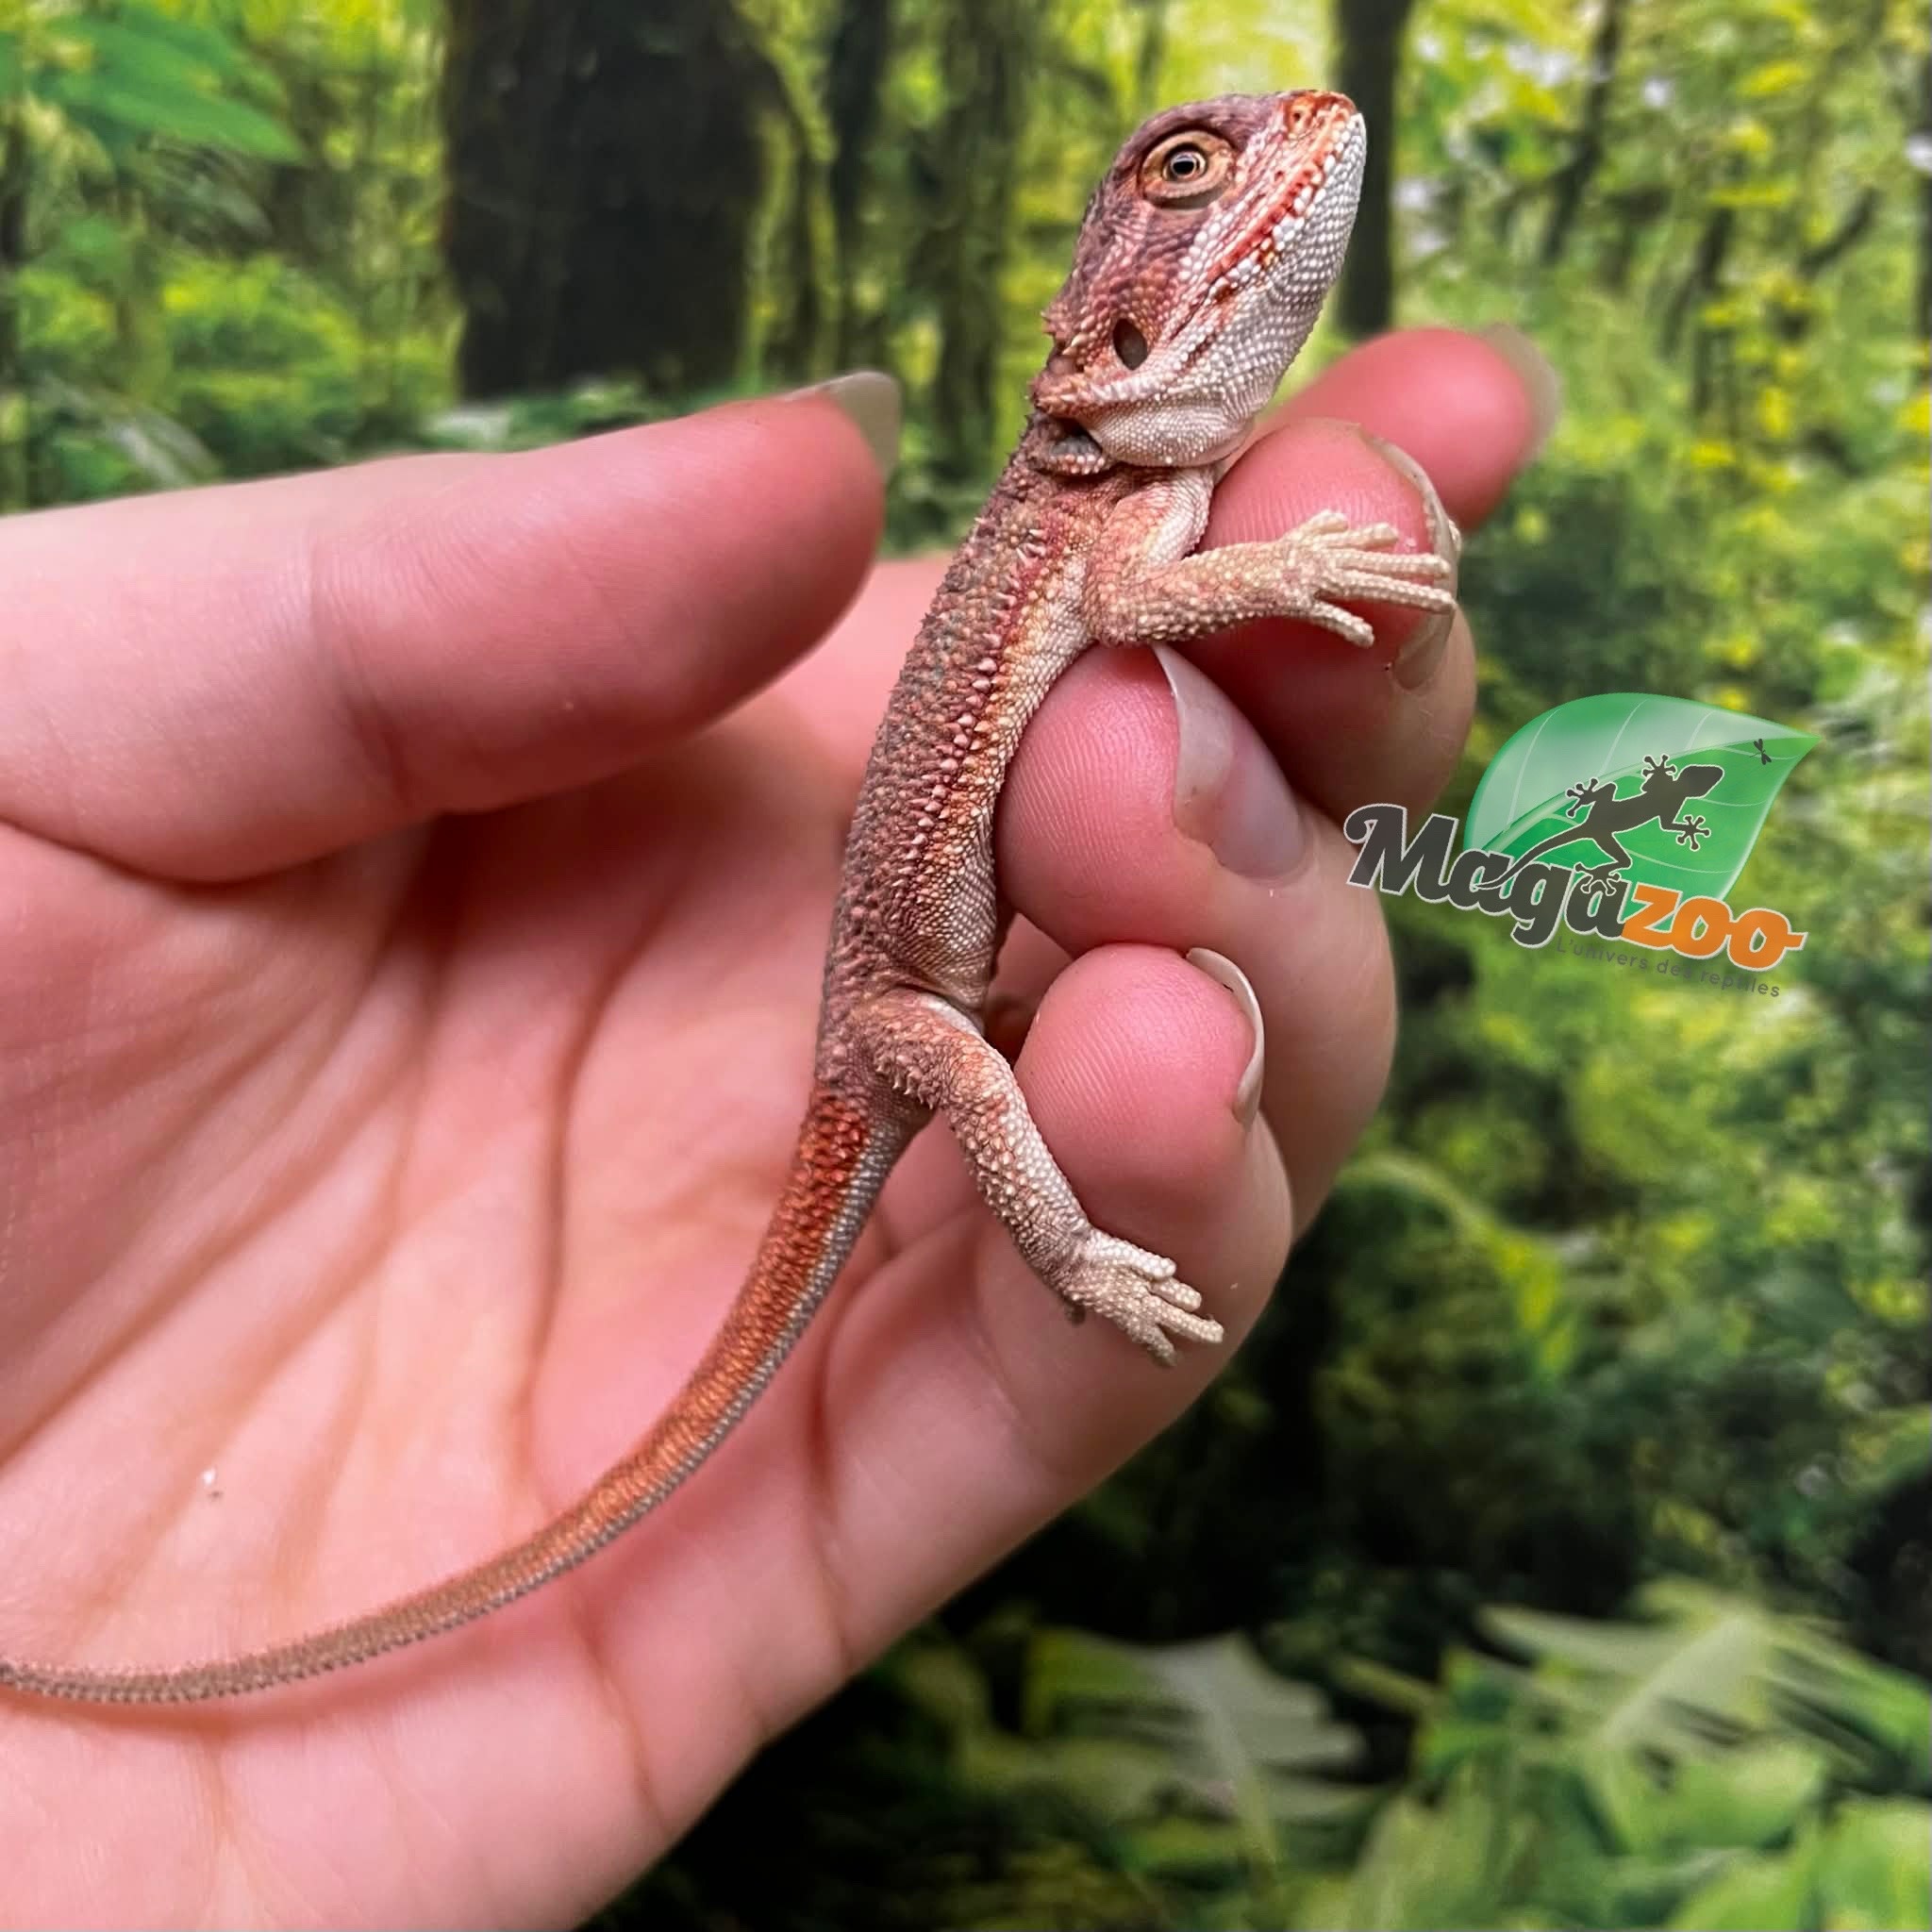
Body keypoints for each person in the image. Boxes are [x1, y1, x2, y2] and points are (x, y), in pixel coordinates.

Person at [0, 327, 1552, 1924]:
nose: (1252, 179)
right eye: (1178, 180)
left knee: (1097, 1038)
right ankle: (1075, 1256)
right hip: (899, 1016)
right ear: (1122, 332)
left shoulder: (1114, 490)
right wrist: (1285, 565)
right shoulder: (1102, 514)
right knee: (980, 1068)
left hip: (918, 987)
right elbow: (1147, 606)